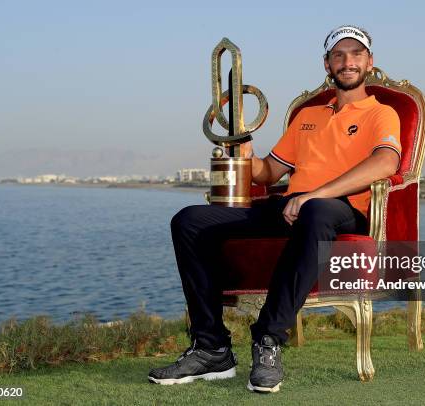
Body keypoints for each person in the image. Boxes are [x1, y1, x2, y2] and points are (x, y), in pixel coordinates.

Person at [148, 25, 401, 393]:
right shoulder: (307, 116)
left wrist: (315, 194)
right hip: (292, 207)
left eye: (356, 54)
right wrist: (246, 150)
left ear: (369, 62)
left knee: (316, 211)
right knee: (190, 220)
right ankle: (211, 347)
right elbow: (270, 172)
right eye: (339, 55)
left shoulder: (382, 114)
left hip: (343, 210)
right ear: (327, 64)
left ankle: (268, 338)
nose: (348, 62)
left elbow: (385, 165)